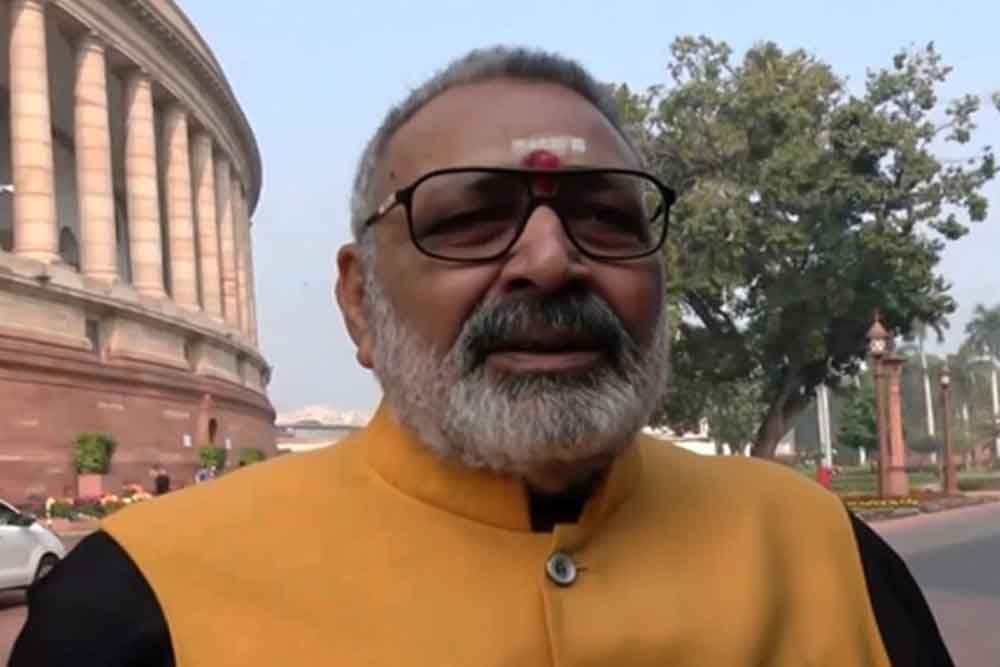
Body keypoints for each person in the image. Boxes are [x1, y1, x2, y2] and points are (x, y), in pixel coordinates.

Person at [11, 46, 953, 666]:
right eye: (469, 219)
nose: (550, 260)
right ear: (359, 302)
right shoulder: (145, 602)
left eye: (603, 215)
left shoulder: (821, 555)